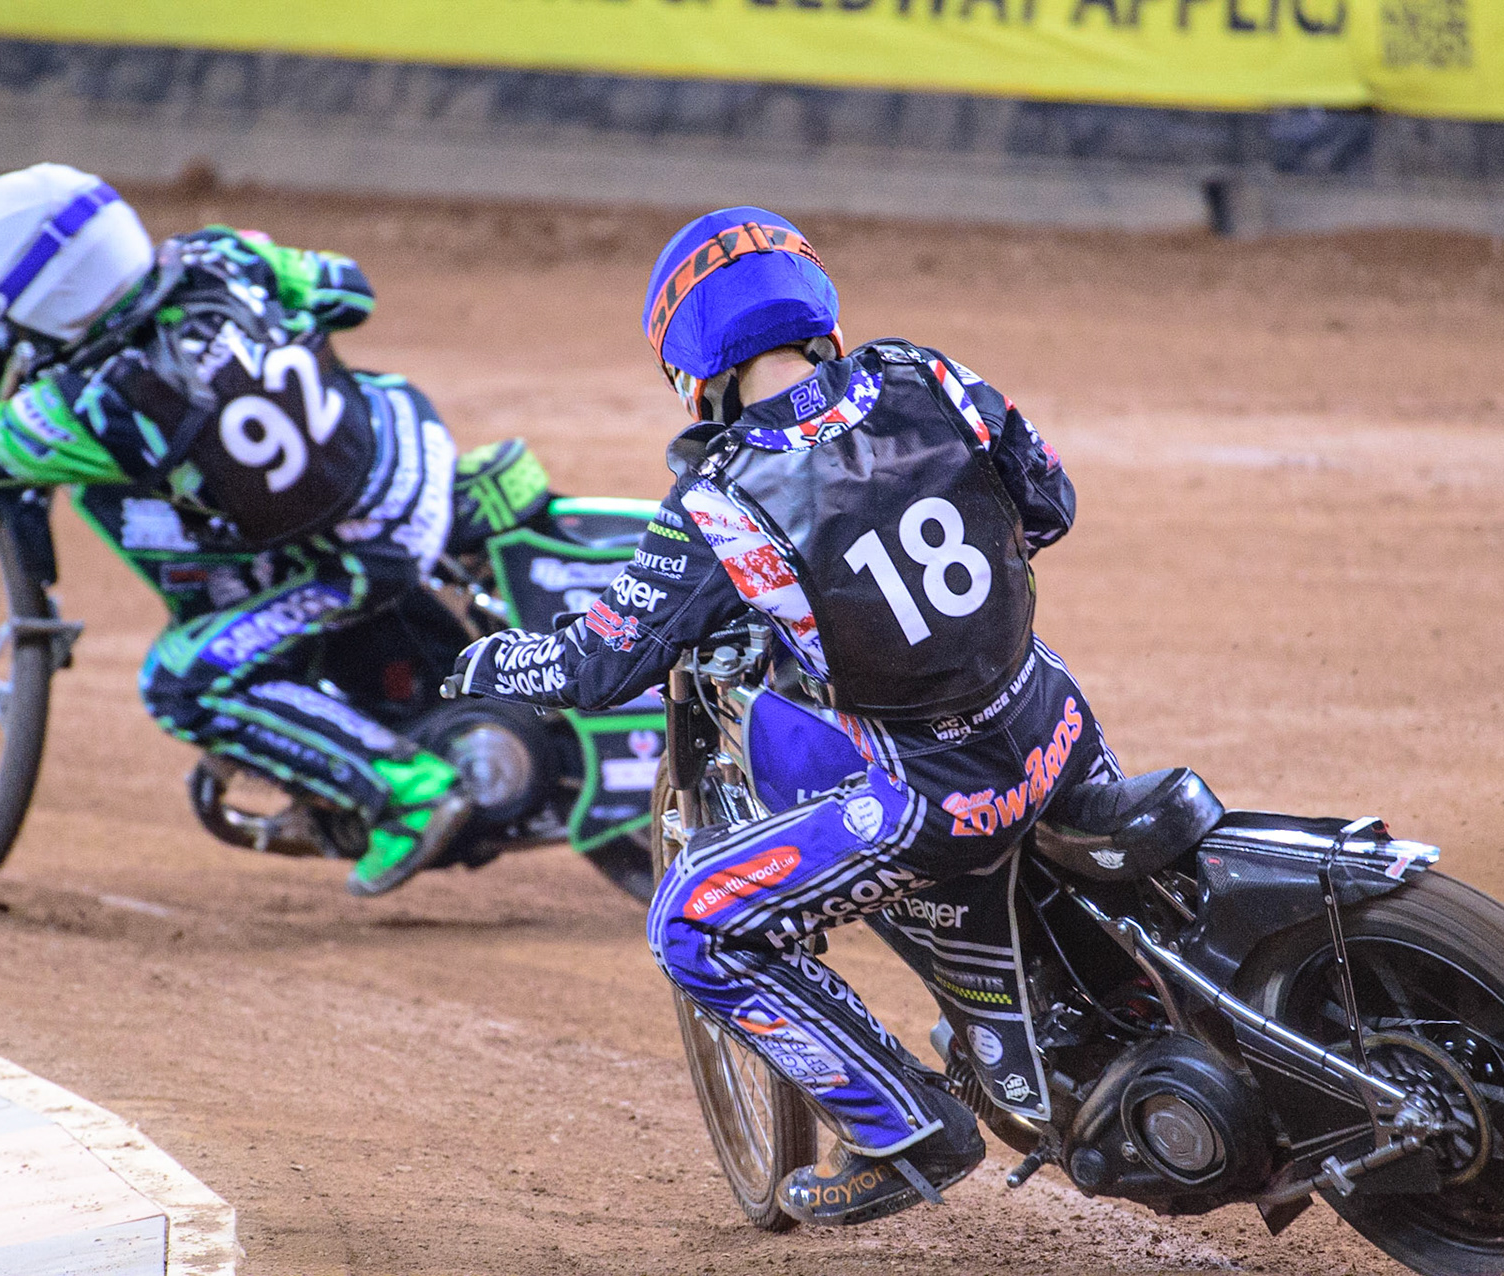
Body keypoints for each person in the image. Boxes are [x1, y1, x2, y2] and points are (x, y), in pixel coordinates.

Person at [446, 206, 1122, 1224]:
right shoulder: (928, 375)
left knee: (693, 926)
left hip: (940, 802)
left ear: (694, 369)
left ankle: (907, 1127)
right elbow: (1050, 508)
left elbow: (598, 668)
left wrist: (492, 658)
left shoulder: (720, 500)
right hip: (1057, 722)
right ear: (816, 312)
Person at [0, 162, 489, 896]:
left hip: (362, 550)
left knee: (184, 679)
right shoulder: (222, 254)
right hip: (408, 441)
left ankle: (407, 790)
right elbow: (347, 290)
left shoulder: (91, 409)